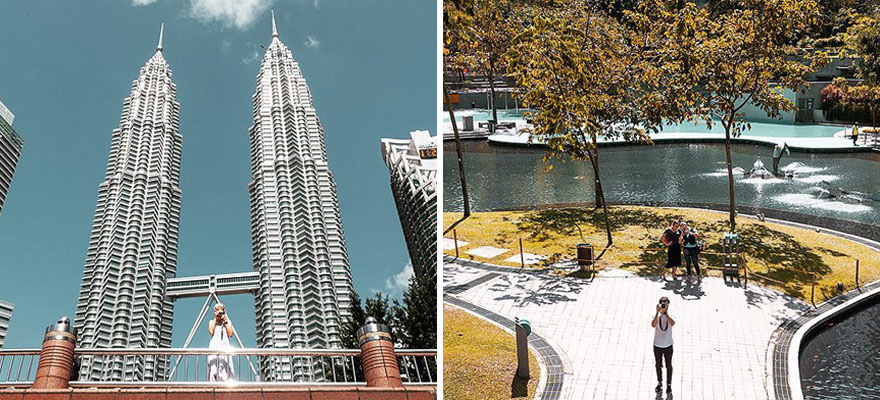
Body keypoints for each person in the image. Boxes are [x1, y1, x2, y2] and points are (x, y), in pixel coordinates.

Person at [652, 297, 675, 394]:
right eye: (662, 304)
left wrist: (666, 313)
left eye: (665, 304)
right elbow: (653, 325)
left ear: (668, 305)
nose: (663, 305)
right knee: (658, 365)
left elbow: (672, 323)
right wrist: (657, 312)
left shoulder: (671, 315)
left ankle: (669, 384)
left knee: (668, 365)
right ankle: (659, 382)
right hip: (657, 345)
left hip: (668, 345)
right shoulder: (657, 316)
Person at [207, 303, 236, 382]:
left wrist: (225, 319)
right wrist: (216, 319)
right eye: (217, 310)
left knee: (225, 365)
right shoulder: (211, 322)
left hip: (224, 345)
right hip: (214, 346)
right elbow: (211, 331)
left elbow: (230, 334)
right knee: (214, 368)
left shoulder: (227, 322)